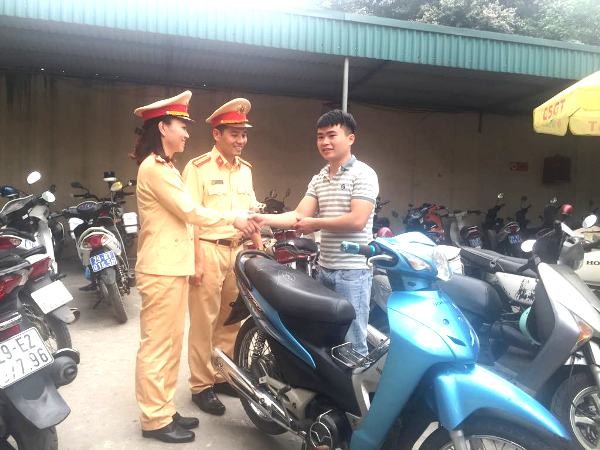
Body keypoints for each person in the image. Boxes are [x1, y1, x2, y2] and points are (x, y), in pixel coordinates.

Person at [131, 90, 258, 444]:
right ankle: (154, 419)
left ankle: (164, 408)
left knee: (171, 342)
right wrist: (233, 218)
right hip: (161, 268)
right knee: (158, 345)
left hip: (172, 266)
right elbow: (191, 212)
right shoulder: (155, 169)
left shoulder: (165, 167)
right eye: (182, 126)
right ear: (163, 128)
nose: (187, 133)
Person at [254, 109, 379, 355]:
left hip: (353, 272)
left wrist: (317, 223)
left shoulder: (363, 174)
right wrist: (262, 219)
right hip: (324, 269)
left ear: (350, 138)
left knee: (352, 342)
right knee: (325, 339)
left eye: (332, 135)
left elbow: (358, 220)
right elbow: (299, 215)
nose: (325, 142)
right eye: (320, 137)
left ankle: (355, 382)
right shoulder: (319, 178)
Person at [182, 98, 261, 416]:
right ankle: (201, 385)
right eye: (234, 134)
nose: (241, 140)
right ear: (217, 134)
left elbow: (252, 212)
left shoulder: (246, 170)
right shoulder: (198, 168)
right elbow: (190, 218)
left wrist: (258, 248)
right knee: (204, 321)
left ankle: (221, 375)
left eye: (244, 134)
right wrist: (195, 261)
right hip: (209, 249)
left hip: (237, 252)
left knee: (231, 319)